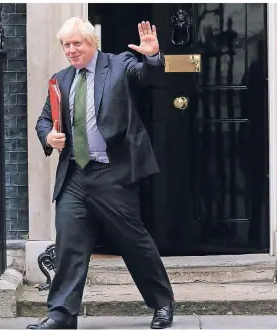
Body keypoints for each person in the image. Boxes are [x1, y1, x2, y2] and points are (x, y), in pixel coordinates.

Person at [28, 17, 175, 329]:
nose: (71, 50)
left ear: (91, 42)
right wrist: (47, 136)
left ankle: (162, 304)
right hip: (74, 175)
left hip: (113, 172)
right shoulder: (60, 80)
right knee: (69, 243)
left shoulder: (118, 65)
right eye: (66, 45)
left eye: (76, 43)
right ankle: (62, 314)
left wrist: (151, 56)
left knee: (133, 242)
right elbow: (44, 119)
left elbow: (149, 76)